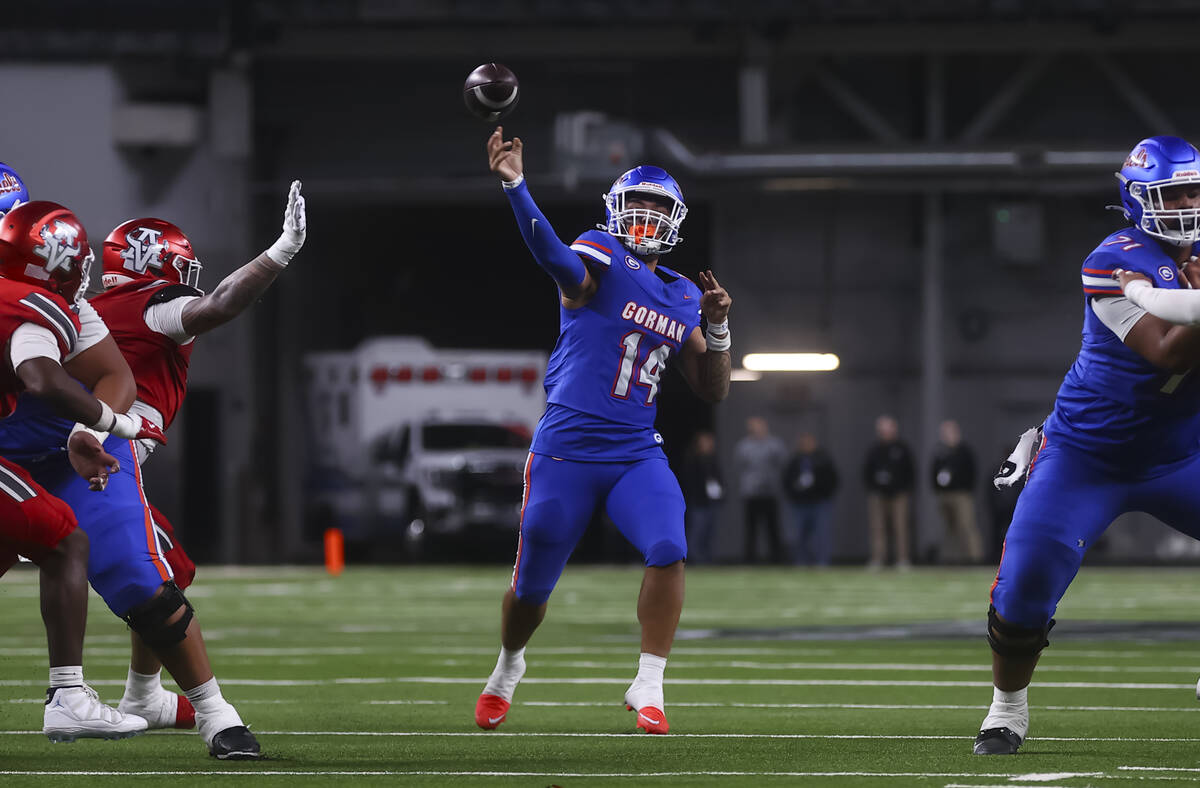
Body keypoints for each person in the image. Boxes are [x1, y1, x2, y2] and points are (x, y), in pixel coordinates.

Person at [0, 182, 306, 759]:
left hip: (80, 457)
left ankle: (209, 712)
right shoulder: (144, 306)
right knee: (136, 570)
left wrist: (95, 429)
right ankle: (147, 698)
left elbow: (116, 375)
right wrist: (281, 251)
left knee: (144, 577)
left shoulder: (82, 307)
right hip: (11, 456)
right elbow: (215, 305)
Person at [474, 127, 732, 735]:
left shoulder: (685, 293)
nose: (645, 218)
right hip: (566, 447)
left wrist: (718, 328)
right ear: (617, 211)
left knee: (669, 545)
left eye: (657, 209)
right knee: (531, 587)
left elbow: (712, 385)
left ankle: (649, 681)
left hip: (635, 450)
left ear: (674, 221)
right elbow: (557, 262)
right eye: (636, 205)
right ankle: (509, 665)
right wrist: (516, 186)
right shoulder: (599, 254)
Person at [973, 136, 1200, 756]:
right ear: (1137, 199)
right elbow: (1169, 349)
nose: (1185, 204)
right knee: (1024, 587)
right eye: (1171, 193)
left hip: (1182, 452)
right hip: (1087, 455)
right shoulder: (1114, 257)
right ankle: (1006, 708)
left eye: (1193, 190)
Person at [0, 200, 165, 742]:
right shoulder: (30, 304)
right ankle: (68, 694)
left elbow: (102, 371)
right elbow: (43, 379)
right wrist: (112, 422)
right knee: (64, 539)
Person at [861, 415, 914, 569]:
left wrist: (904, 488)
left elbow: (910, 471)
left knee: (900, 527)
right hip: (878, 494)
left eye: (887, 429)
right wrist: (873, 487)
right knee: (878, 528)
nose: (884, 432)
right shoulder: (874, 450)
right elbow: (867, 471)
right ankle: (878, 558)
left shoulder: (902, 449)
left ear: (894, 429)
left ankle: (902, 559)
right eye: (882, 430)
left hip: (898, 494)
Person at [733, 417, 786, 564]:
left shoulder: (775, 444)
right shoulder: (743, 446)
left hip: (770, 492)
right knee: (751, 529)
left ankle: (776, 559)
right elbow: (739, 466)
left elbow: (782, 463)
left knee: (773, 528)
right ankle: (750, 559)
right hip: (751, 493)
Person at [782, 432, 839, 566]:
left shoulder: (823, 460)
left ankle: (822, 562)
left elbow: (833, 480)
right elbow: (786, 481)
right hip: (800, 503)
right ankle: (801, 562)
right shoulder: (795, 461)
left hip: (819, 502)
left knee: (821, 535)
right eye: (804, 443)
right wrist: (795, 494)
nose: (806, 446)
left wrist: (823, 493)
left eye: (809, 442)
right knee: (798, 535)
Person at [930, 419, 982, 563]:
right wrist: (937, 488)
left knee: (966, 526)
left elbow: (972, 472)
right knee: (949, 529)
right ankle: (951, 558)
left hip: (961, 494)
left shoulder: (964, 451)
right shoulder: (940, 451)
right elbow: (933, 471)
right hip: (944, 494)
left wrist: (967, 488)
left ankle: (975, 558)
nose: (947, 435)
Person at [680, 430, 723, 564]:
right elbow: (689, 482)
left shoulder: (712, 460)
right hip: (698, 503)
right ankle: (694, 559)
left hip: (711, 502)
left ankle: (705, 559)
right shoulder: (692, 461)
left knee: (708, 533)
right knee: (696, 532)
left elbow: (719, 481)